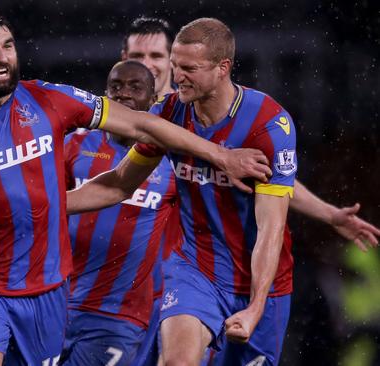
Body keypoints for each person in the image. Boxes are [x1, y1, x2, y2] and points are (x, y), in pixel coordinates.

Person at [0, 12, 272, 366]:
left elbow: (141, 124)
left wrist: (222, 156)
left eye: (7, 45)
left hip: (49, 295)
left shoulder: (50, 100)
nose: (1, 56)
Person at [67, 18, 380, 366]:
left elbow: (271, 227)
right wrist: (51, 204)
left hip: (263, 281)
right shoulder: (170, 114)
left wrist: (255, 308)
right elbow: (118, 183)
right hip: (194, 270)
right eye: (174, 66)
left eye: (189, 68)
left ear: (222, 68)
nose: (176, 76)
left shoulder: (268, 124)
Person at [60, 60, 180, 366]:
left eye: (135, 87)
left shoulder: (173, 163)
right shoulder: (74, 145)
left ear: (154, 100)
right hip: (54, 304)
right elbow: (41, 206)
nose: (123, 94)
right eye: (115, 86)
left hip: (118, 316)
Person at [121, 17, 175, 101]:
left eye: (156, 56)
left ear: (173, 60)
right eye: (137, 56)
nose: (146, 65)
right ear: (124, 59)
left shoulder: (194, 111)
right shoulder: (107, 111)